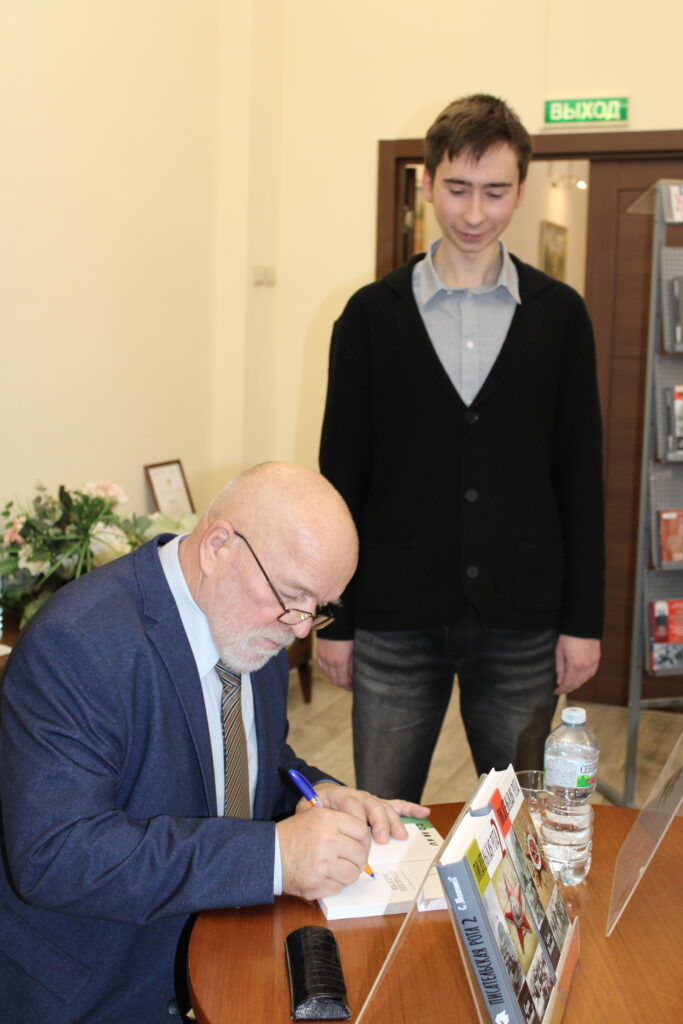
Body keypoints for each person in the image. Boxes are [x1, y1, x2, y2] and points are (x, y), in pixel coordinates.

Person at [0, 462, 427, 1024]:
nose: (301, 628)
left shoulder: (254, 625)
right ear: (218, 546)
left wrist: (319, 792)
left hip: (226, 944)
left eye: (320, 608)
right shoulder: (79, 643)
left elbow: (254, 759)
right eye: (293, 595)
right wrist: (275, 857)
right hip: (102, 986)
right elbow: (56, 856)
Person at [317, 93, 605, 803]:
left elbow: (580, 479)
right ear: (426, 183)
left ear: (521, 190)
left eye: (494, 192)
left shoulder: (559, 316)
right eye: (457, 188)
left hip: (521, 619)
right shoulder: (369, 317)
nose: (474, 214)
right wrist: (334, 619)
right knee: (386, 818)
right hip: (391, 617)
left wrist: (582, 622)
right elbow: (340, 478)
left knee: (522, 818)